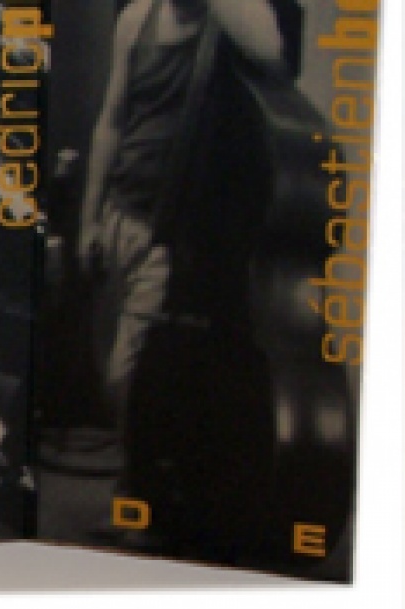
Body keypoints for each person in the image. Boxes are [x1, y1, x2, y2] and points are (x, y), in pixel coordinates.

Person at [74, 0, 303, 558]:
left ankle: (138, 502)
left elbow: (272, 53)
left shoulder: (234, 20)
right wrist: (89, 218)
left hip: (176, 231)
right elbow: (112, 120)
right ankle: (137, 495)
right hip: (121, 214)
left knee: (132, 373)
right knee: (113, 372)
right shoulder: (137, 18)